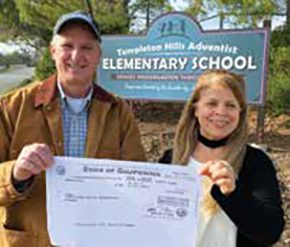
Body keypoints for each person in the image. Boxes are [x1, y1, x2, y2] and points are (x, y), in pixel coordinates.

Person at [0, 10, 145, 246]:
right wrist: (16, 173)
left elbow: (138, 180)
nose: (76, 56)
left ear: (99, 55)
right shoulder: (11, 107)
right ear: (53, 51)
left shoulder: (118, 112)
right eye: (67, 45)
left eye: (87, 47)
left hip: (96, 239)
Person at [160, 69, 284, 247]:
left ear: (240, 113)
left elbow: (270, 233)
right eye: (211, 103)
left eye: (231, 105)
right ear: (195, 109)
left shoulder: (255, 161)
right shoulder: (171, 159)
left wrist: (233, 193)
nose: (221, 112)